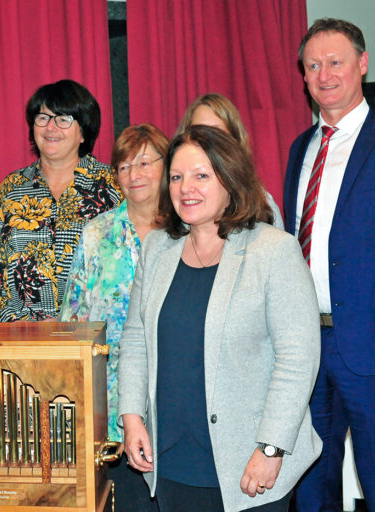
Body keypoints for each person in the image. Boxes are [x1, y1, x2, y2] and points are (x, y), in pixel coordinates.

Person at [119, 125, 321, 512]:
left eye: (201, 175)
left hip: (249, 465)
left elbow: (298, 360)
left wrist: (272, 447)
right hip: (172, 459)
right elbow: (135, 339)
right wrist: (132, 417)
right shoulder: (158, 247)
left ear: (229, 180)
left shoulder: (273, 251)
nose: (185, 187)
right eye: (176, 177)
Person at [284, 18, 375, 512]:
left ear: (363, 65)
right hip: (305, 346)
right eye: (313, 65)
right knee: (310, 486)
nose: (324, 74)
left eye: (335, 62)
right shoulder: (298, 149)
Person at [59, 124, 166, 511]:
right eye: (123, 166)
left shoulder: (187, 231)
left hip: (174, 399)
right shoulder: (96, 234)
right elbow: (72, 323)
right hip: (111, 404)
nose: (133, 175)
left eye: (143, 163)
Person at [0, 79, 122, 322]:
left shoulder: (112, 186)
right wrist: (17, 326)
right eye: (43, 117)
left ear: (83, 132)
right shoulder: (12, 189)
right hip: (23, 342)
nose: (50, 127)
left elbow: (126, 265)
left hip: (93, 337)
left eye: (63, 119)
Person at [175, 92, 284, 228]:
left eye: (217, 133)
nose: (207, 142)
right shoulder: (177, 200)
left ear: (235, 140)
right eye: (199, 132)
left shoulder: (262, 205)